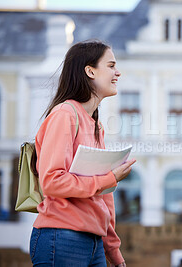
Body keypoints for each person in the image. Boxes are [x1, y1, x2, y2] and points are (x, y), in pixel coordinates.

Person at [29, 40, 136, 267]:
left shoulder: (97, 126)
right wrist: (111, 178)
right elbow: (51, 181)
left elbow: (103, 197)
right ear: (90, 71)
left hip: (94, 244)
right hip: (61, 237)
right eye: (110, 65)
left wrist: (113, 251)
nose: (118, 72)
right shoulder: (64, 115)